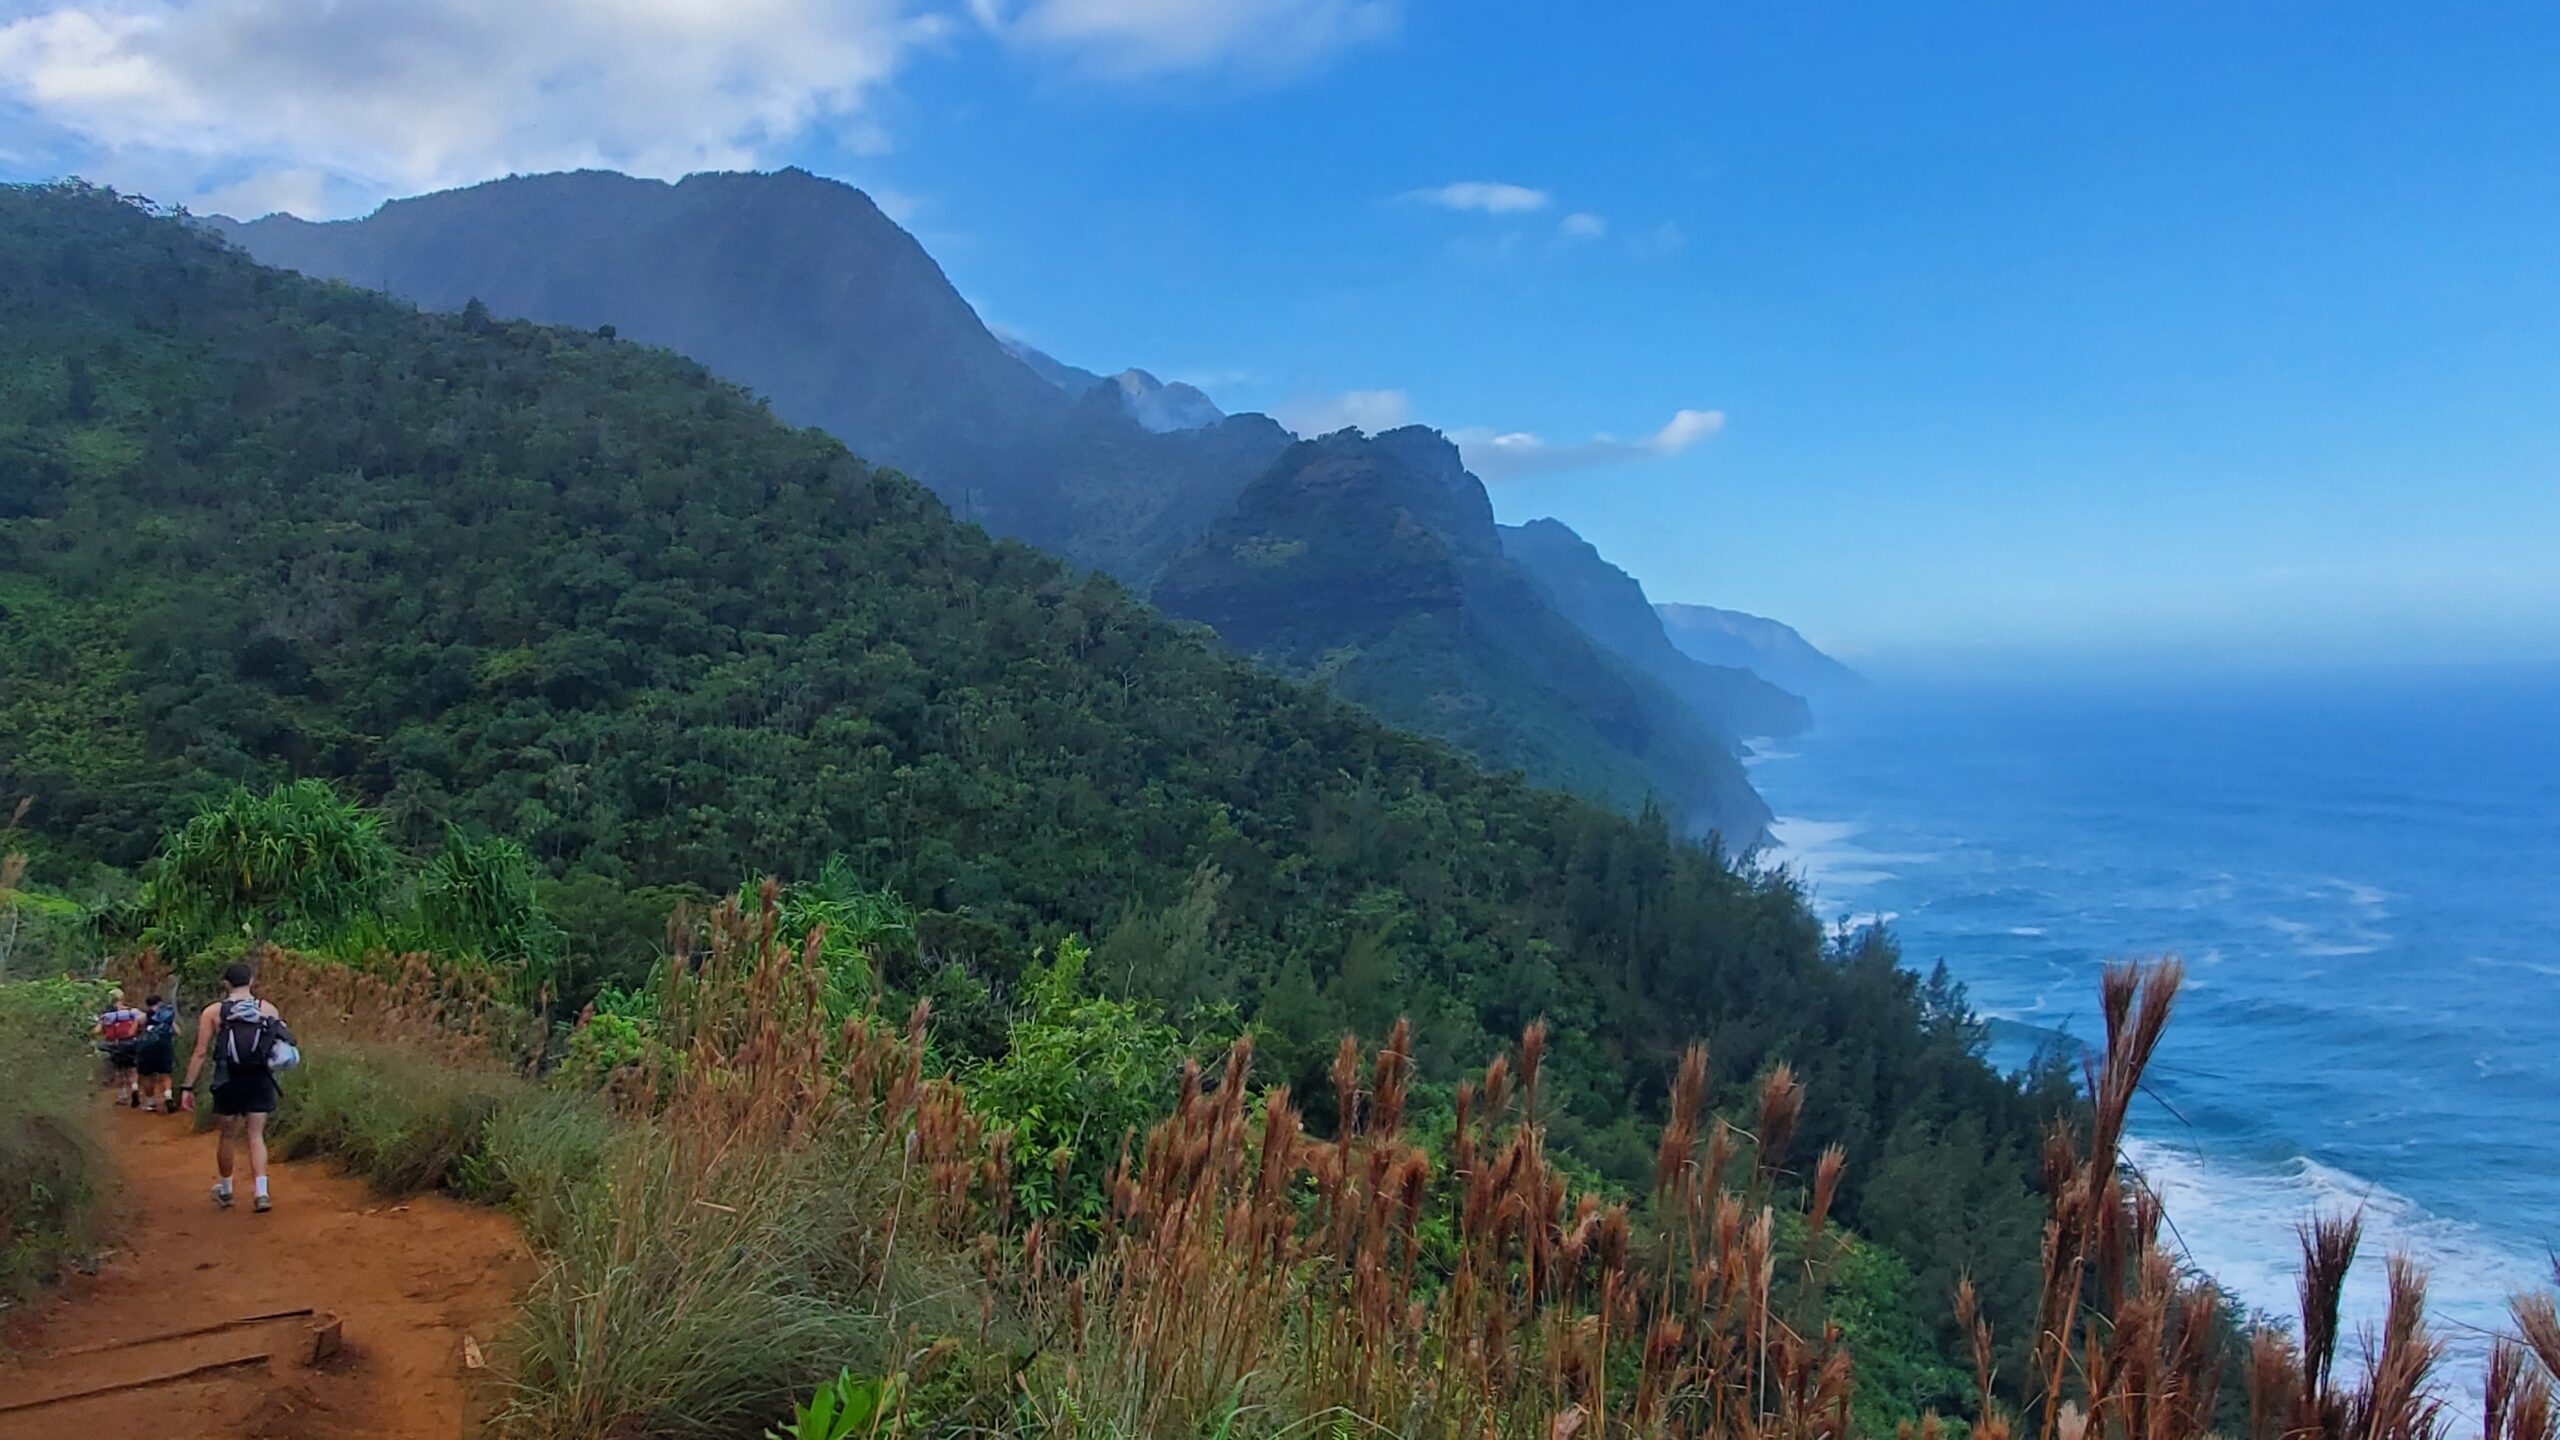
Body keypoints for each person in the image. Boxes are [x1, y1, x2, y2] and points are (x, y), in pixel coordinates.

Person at [181, 962, 291, 1213]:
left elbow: (200, 1053)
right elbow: (280, 1045)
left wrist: (187, 1087)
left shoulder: (213, 1012)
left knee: (227, 1134)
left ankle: (226, 1189)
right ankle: (261, 1193)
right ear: (252, 981)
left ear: (226, 984)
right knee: (255, 1134)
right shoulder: (267, 1008)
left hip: (227, 1078)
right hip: (259, 1077)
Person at [92, 987, 144, 1105]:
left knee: (119, 1071)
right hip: (131, 1042)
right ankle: (135, 1087)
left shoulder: (107, 1016)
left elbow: (97, 1031)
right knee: (132, 1069)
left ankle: (122, 1096)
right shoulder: (132, 1012)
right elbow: (143, 1021)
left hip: (116, 1044)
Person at [134, 993, 179, 1113]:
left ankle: (150, 1102)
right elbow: (178, 1032)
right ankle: (168, 1096)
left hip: (146, 1050)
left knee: (147, 1075)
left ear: (147, 1004)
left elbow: (132, 1032)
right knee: (166, 1074)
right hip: (164, 1047)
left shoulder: (142, 1017)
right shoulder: (167, 1016)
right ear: (160, 1002)